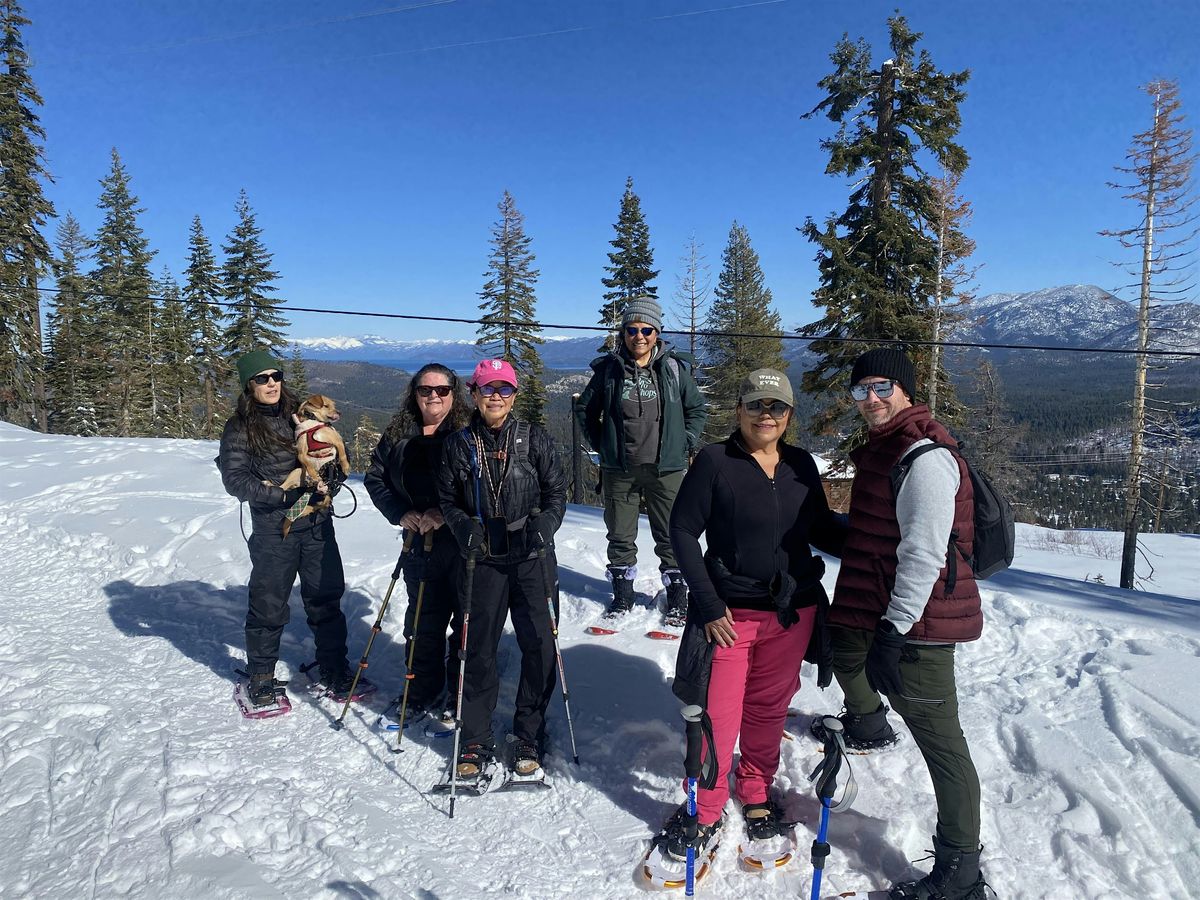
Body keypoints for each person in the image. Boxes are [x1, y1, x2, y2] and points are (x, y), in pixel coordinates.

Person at [819, 347, 987, 900]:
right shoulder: (885, 448)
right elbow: (876, 533)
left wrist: (894, 632)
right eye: (860, 389)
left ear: (907, 390)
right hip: (875, 607)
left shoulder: (923, 456)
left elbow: (923, 554)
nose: (870, 399)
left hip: (918, 624)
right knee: (842, 650)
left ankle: (960, 873)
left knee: (942, 744)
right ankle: (868, 722)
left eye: (882, 387)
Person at [665, 369, 844, 859]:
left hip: (792, 613)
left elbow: (823, 528)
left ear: (789, 415)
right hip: (731, 615)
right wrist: (707, 601)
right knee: (718, 715)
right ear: (739, 409)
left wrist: (879, 538)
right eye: (757, 405)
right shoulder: (715, 462)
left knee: (767, 710)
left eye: (777, 407)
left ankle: (756, 789)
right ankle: (706, 807)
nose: (767, 415)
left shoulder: (802, 465)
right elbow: (682, 531)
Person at [437, 358, 567, 780]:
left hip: (531, 556)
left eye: (504, 389)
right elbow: (447, 499)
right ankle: (475, 738)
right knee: (477, 650)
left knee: (541, 648)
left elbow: (556, 492)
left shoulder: (534, 439)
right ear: (473, 394)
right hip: (484, 560)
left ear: (514, 396)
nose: (496, 396)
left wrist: (546, 525)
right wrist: (461, 528)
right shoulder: (459, 444)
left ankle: (528, 732)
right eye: (487, 388)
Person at [217, 349, 354, 708]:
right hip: (275, 526)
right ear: (250, 385)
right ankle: (261, 675)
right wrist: (278, 495)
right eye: (262, 378)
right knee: (269, 603)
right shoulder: (241, 426)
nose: (271, 383)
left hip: (317, 522)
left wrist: (332, 478)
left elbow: (327, 452)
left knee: (326, 596)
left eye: (275, 375)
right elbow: (235, 479)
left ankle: (333, 666)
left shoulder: (303, 415)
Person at [576, 296, 708, 622]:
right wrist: (603, 445)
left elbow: (696, 409)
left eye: (646, 330)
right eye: (632, 329)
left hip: (667, 469)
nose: (639, 336)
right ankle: (622, 597)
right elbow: (585, 410)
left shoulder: (673, 368)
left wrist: (685, 443)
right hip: (620, 469)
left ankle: (678, 597)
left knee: (673, 533)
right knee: (620, 534)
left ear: (656, 332)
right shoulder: (609, 370)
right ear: (624, 332)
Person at [364, 363, 470, 725]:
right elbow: (375, 478)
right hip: (416, 540)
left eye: (442, 390)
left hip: (461, 542)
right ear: (415, 393)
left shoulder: (468, 431)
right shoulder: (398, 433)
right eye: (425, 390)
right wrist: (400, 512)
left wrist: (446, 513)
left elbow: (482, 486)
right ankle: (421, 687)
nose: (433, 396)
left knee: (466, 619)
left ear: (454, 394)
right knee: (423, 619)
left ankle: (460, 690)